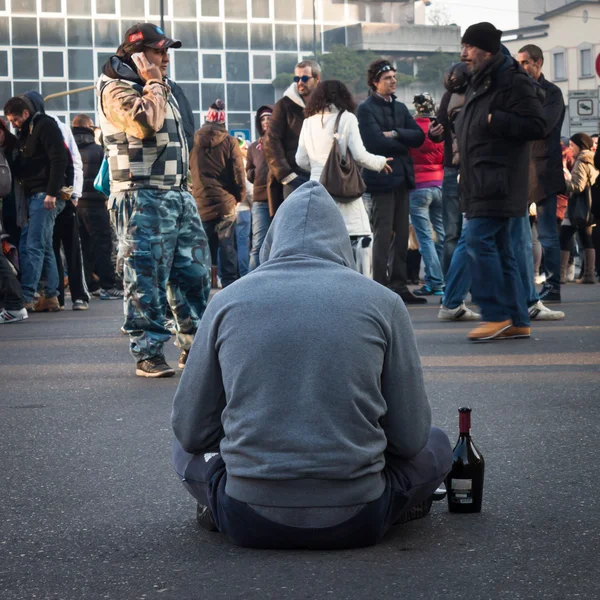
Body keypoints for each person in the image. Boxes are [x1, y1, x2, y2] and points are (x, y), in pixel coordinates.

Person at [171, 181, 452, 550]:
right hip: (359, 516)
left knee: (182, 447)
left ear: (273, 239)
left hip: (246, 515)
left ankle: (217, 504)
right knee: (437, 441)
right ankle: (401, 504)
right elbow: (411, 437)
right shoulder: (384, 303)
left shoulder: (227, 301)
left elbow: (190, 431)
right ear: (341, 242)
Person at [97, 22, 211, 377]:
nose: (166, 58)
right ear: (138, 54)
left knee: (193, 273)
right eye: (159, 51)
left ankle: (194, 346)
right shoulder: (116, 88)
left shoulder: (162, 87)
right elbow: (144, 123)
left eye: (166, 52)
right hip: (140, 193)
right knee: (145, 275)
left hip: (176, 193)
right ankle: (147, 352)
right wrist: (154, 83)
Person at [456, 22, 545, 341]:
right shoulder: (482, 79)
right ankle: (519, 319)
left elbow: (537, 124)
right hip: (482, 177)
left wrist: (498, 120)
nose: (463, 53)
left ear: (487, 50)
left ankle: (495, 314)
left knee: (478, 242)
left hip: (498, 179)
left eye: (468, 47)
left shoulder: (511, 79)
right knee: (505, 250)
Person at [295, 80, 392, 273]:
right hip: (343, 188)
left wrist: (317, 168)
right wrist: (381, 162)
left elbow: (300, 159)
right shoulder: (346, 118)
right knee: (361, 236)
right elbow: (359, 155)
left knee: (323, 241)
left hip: (317, 189)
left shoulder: (308, 122)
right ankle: (361, 286)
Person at [357, 59, 426, 304]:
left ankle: (399, 285)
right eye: (387, 78)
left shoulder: (400, 107)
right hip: (381, 178)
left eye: (394, 77)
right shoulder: (365, 108)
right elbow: (373, 141)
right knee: (383, 234)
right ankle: (380, 286)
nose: (393, 81)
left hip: (403, 178)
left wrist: (396, 134)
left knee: (401, 237)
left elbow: (419, 136)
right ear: (375, 82)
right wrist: (402, 141)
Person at [3, 96, 68, 313]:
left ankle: (27, 296)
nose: (13, 124)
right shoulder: (27, 131)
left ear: (25, 114)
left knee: (33, 246)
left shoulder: (45, 126)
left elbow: (59, 159)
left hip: (45, 195)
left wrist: (51, 193)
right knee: (44, 244)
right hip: (38, 194)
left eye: (15, 120)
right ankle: (51, 295)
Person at [517, 44, 566, 304]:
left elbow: (542, 127)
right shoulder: (519, 91)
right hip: (522, 170)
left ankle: (553, 285)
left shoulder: (552, 93)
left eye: (525, 63)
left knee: (547, 234)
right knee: (521, 235)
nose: (522, 68)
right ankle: (525, 285)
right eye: (519, 63)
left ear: (538, 63)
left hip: (545, 170)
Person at [190, 99, 246, 289]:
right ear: (223, 121)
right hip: (225, 202)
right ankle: (230, 285)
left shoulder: (194, 141)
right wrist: (239, 196)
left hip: (201, 202)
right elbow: (239, 172)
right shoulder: (230, 142)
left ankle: (204, 284)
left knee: (203, 246)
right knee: (227, 245)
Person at [72, 114, 122, 300]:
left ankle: (90, 284)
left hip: (76, 205)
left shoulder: (69, 148)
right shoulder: (99, 150)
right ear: (89, 128)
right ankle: (108, 286)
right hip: (96, 203)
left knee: (84, 247)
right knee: (103, 245)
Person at [429, 62, 470, 275]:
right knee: (465, 231)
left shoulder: (448, 97)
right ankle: (465, 283)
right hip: (469, 168)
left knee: (452, 232)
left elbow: (438, 131)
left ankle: (452, 285)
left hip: (454, 169)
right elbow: (439, 130)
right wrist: (434, 132)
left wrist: (434, 132)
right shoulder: (477, 94)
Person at [263, 60, 320, 215]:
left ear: (317, 79)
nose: (300, 82)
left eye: (305, 78)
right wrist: (286, 175)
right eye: (297, 79)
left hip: (321, 175)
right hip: (294, 176)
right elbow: (271, 141)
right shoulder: (284, 105)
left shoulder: (327, 105)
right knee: (293, 226)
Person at [408, 93, 445, 296]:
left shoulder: (413, 129)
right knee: (440, 234)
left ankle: (435, 282)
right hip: (440, 185)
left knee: (424, 238)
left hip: (418, 186)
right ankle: (439, 279)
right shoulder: (440, 128)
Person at [560, 133, 597, 284]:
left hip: (577, 207)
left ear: (580, 146)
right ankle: (588, 275)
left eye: (572, 146)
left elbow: (578, 185)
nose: (570, 149)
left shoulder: (581, 161)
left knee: (564, 237)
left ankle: (560, 276)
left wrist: (564, 183)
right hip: (589, 207)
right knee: (586, 238)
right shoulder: (592, 159)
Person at [246, 105, 273, 271]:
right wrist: (256, 173)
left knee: (276, 245)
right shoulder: (253, 147)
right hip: (260, 200)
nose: (266, 121)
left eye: (269, 118)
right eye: (263, 119)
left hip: (279, 199)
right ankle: (251, 284)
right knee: (258, 244)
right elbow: (248, 170)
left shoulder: (279, 143)